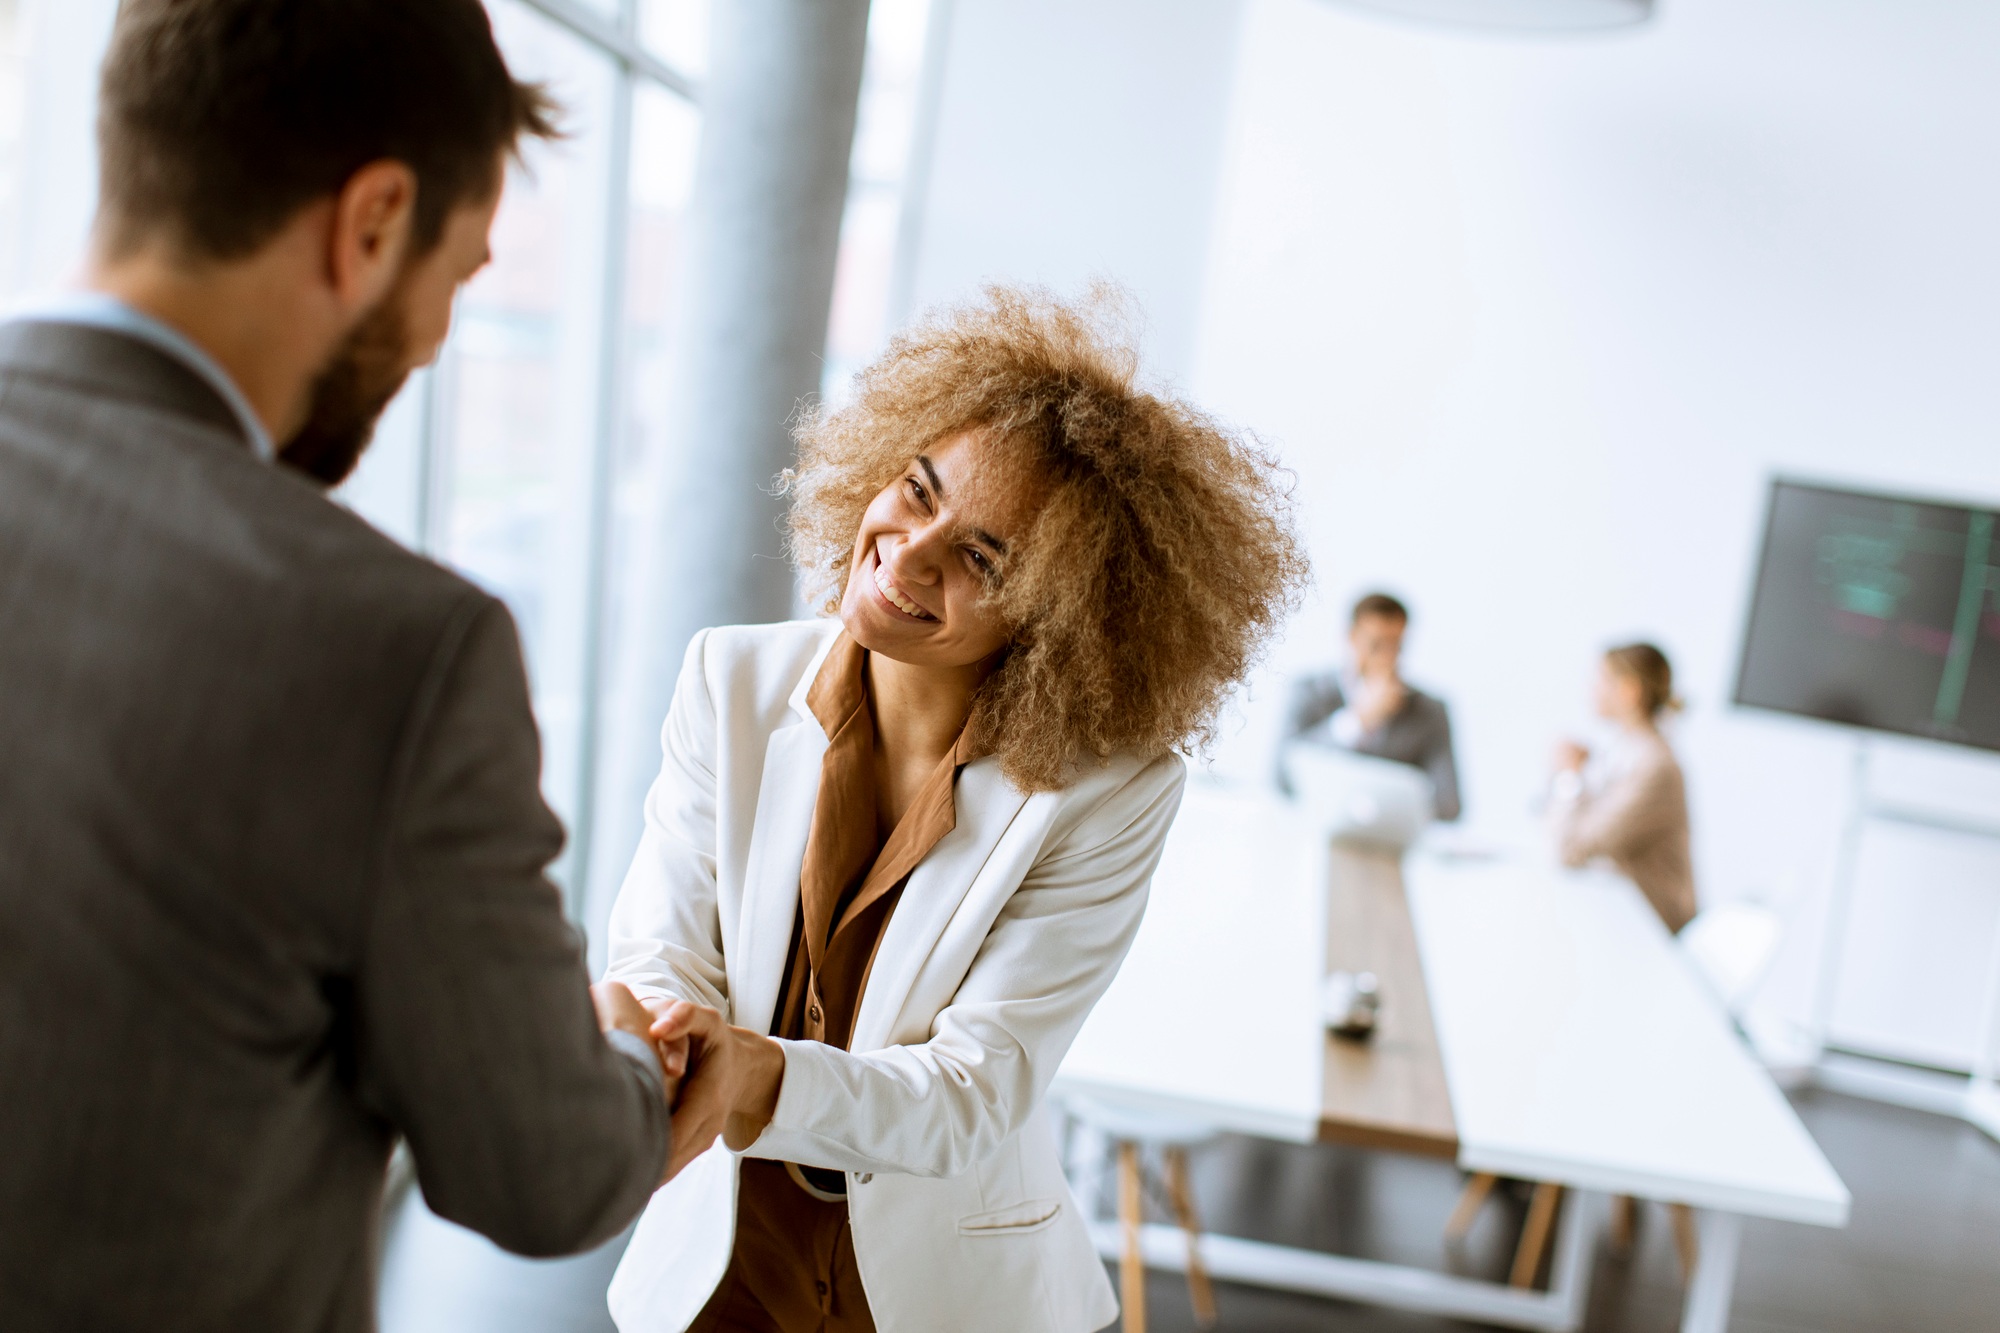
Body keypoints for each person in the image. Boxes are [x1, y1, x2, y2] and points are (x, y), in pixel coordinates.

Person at [0, 4, 677, 1329]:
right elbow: (542, 1171)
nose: (433, 341)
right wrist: (627, 1064)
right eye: (462, 276)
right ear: (371, 222)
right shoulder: (389, 650)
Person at [601, 288, 1307, 1333]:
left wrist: (752, 1075)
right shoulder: (728, 679)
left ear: (1065, 615)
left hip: (946, 1298)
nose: (908, 549)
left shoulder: (1112, 789)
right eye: (913, 488)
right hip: (717, 1267)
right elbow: (659, 949)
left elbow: (974, 1089)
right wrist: (664, 1043)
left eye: (982, 558)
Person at [1549, 643, 1698, 933]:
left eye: (1601, 680)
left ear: (1629, 690)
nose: (1591, 689)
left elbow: (1569, 848)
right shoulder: (1622, 752)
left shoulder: (1655, 767)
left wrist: (1568, 776)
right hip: (1619, 918)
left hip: (1653, 933)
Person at [1281, 592, 1463, 820]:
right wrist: (1357, 722)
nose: (1387, 658)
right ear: (1351, 637)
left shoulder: (1430, 711)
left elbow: (1450, 805)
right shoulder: (1309, 692)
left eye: (1397, 646)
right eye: (1376, 645)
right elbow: (1282, 777)